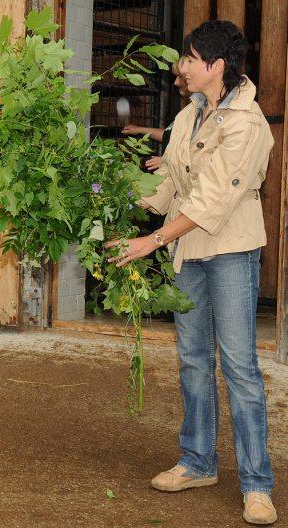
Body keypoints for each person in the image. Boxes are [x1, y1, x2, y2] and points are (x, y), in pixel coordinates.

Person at [105, 21, 277, 526]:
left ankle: (257, 485)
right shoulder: (187, 117)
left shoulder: (247, 124)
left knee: (240, 367)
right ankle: (198, 461)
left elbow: (210, 204)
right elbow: (169, 191)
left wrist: (151, 241)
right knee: (194, 359)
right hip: (188, 251)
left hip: (230, 251)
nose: (181, 66)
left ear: (215, 66)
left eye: (189, 57)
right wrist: (105, 190)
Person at [122, 60, 190, 171]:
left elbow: (199, 153)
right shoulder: (188, 109)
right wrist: (140, 129)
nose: (176, 82)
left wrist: (168, 160)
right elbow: (170, 136)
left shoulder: (200, 111)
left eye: (179, 76)